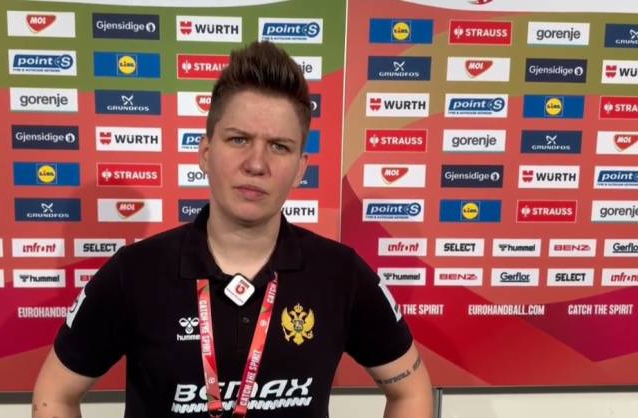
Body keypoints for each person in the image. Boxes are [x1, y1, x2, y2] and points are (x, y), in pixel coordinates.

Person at [32, 41, 432, 418]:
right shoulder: (136, 272)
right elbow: (54, 394)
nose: (256, 164)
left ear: (300, 169)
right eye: (239, 139)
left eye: (279, 146)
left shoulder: (339, 274)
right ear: (206, 152)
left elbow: (410, 389)